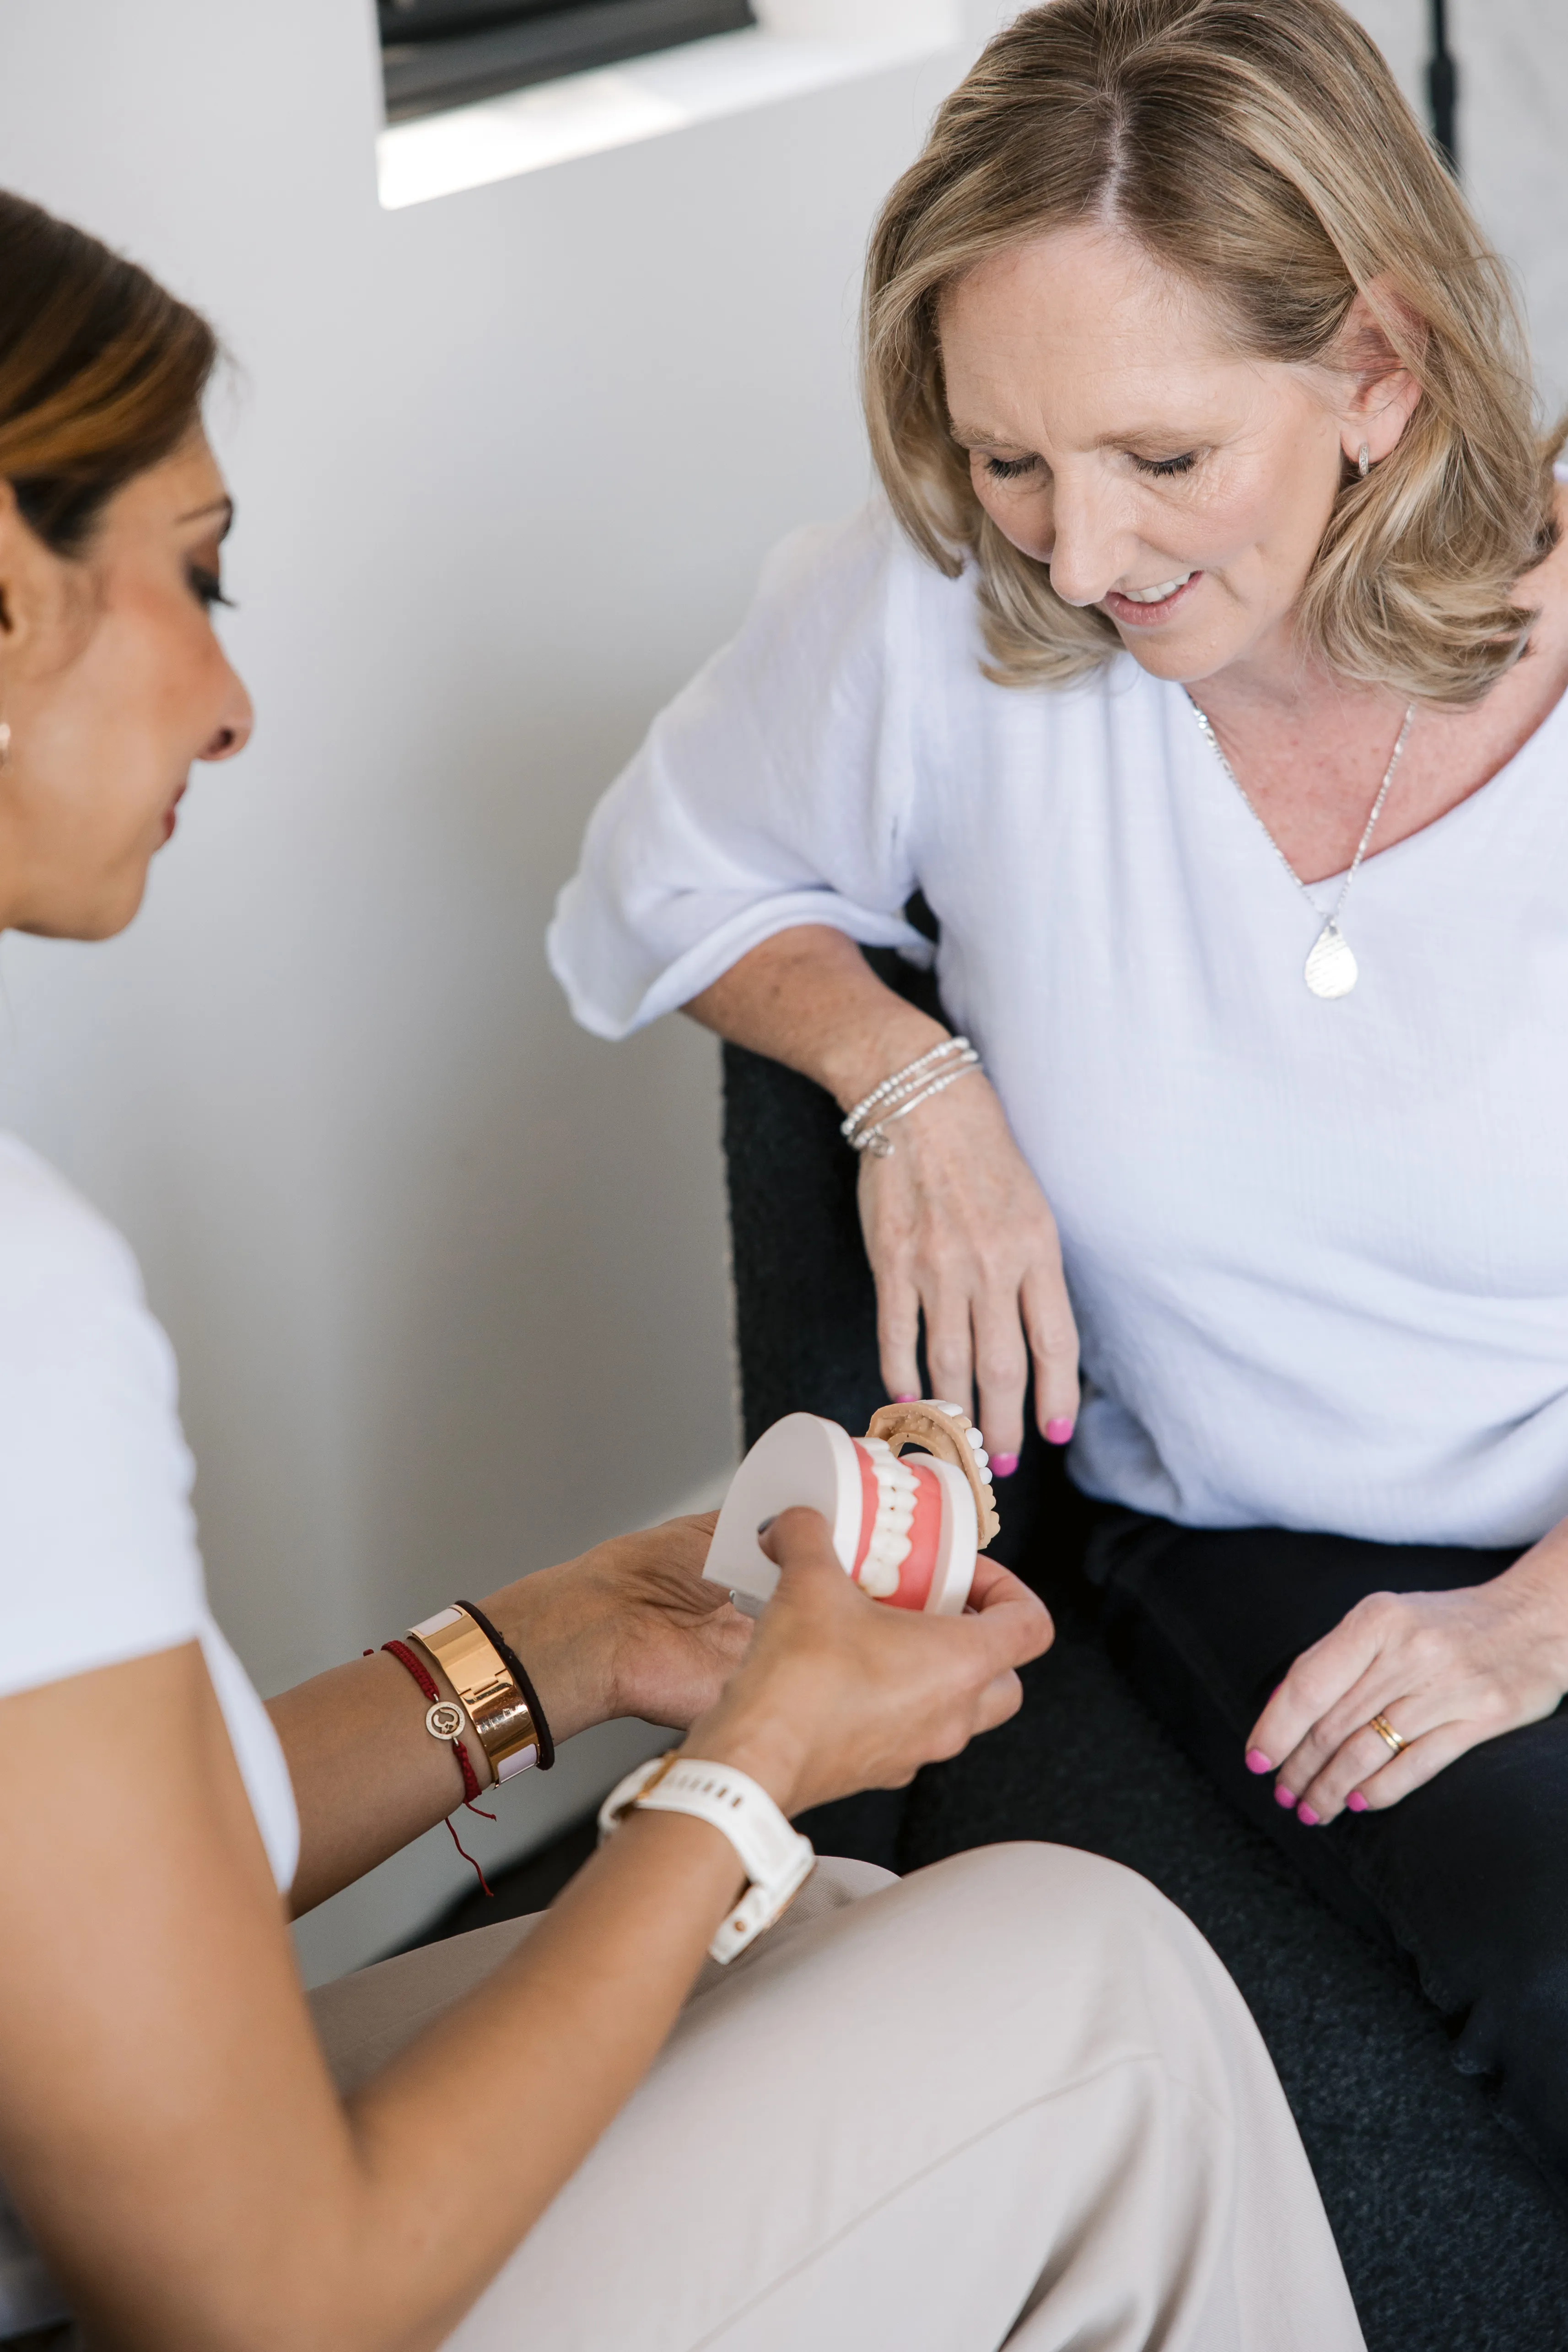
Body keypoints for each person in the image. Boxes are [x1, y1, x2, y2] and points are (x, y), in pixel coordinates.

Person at [0, 190, 1363, 2352]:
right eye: (198, 570)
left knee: (825, 1922)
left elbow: (54, 1890)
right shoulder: (23, 1297)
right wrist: (741, 1780)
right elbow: (277, 2305)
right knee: (1088, 1990)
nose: (235, 697)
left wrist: (556, 1642)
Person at [550, 0, 1568, 2189]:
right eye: (1008, 456)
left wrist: (1541, 1613)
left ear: (1376, 369)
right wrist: (904, 1073)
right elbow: (654, 880)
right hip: (1270, 1536)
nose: (1076, 556)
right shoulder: (936, 614)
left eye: (1157, 460)